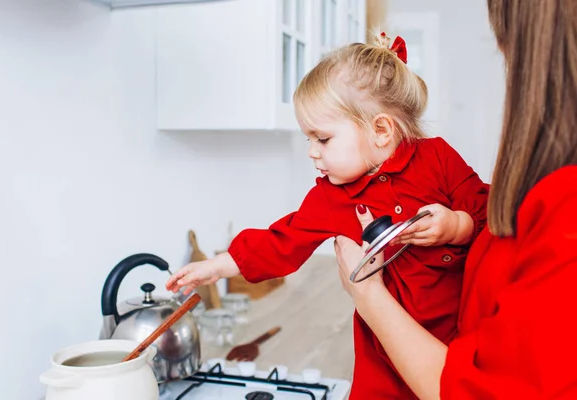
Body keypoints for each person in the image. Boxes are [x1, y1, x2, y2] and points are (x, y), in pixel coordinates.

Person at [166, 32, 489, 398]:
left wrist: (455, 225)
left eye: (323, 139)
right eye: (308, 139)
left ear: (381, 130)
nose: (311, 152)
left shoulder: (439, 157)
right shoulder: (330, 196)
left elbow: (485, 210)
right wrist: (220, 265)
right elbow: (282, 240)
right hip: (382, 356)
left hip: (458, 338)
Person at [333, 1, 577, 399]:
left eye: (509, 57)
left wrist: (368, 294)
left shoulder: (565, 211)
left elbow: (477, 391)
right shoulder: (532, 193)